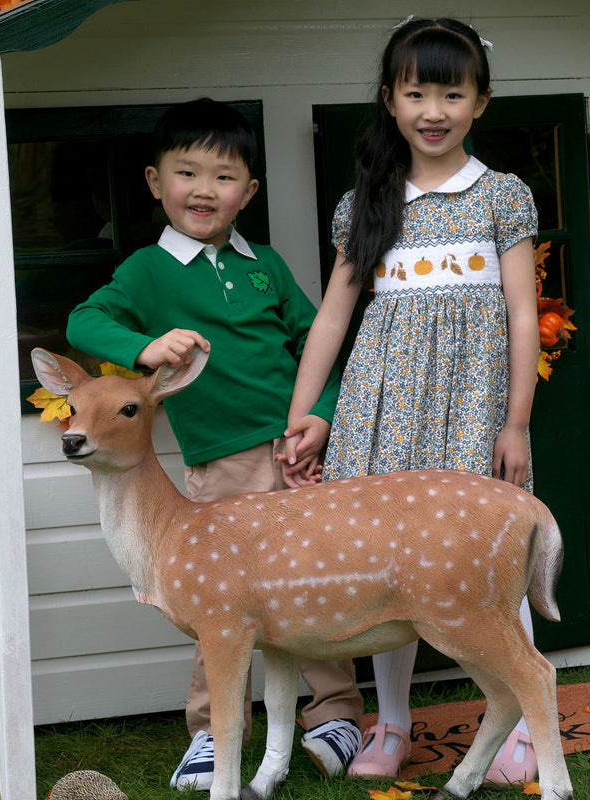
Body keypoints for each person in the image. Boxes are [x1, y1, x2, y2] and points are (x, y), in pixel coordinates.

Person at [66, 98, 363, 792]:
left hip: (298, 454)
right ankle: (212, 731)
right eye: (187, 172)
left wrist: (319, 417)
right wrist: (143, 345)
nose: (204, 190)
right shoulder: (147, 270)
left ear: (249, 191)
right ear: (154, 180)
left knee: (316, 583)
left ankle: (338, 715)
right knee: (216, 601)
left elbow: (321, 344)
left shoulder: (268, 267)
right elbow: (86, 320)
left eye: (224, 176)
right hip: (220, 464)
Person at [283, 18, 541, 785]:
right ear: (391, 101)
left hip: (474, 411)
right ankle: (391, 724)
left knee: (491, 562)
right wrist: (304, 411)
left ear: (481, 102)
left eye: (452, 93)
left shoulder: (501, 196)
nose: (434, 109)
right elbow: (334, 316)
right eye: (416, 91)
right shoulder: (369, 201)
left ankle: (523, 724)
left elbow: (525, 314)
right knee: (390, 569)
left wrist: (517, 421)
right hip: (380, 407)